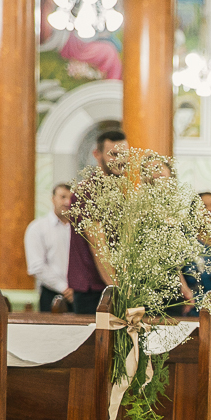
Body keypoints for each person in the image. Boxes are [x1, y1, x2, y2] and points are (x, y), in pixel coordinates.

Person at [67, 128, 127, 314]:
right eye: (114, 154)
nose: (120, 160)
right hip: (94, 290)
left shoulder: (123, 192)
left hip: (117, 286)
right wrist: (120, 291)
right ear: (96, 154)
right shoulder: (87, 191)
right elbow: (98, 246)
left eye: (124, 154)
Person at [24, 183, 74, 311]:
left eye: (71, 198)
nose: (67, 202)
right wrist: (63, 287)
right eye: (62, 197)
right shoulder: (38, 228)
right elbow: (36, 266)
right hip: (51, 293)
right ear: (53, 199)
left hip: (78, 294)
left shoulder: (79, 228)